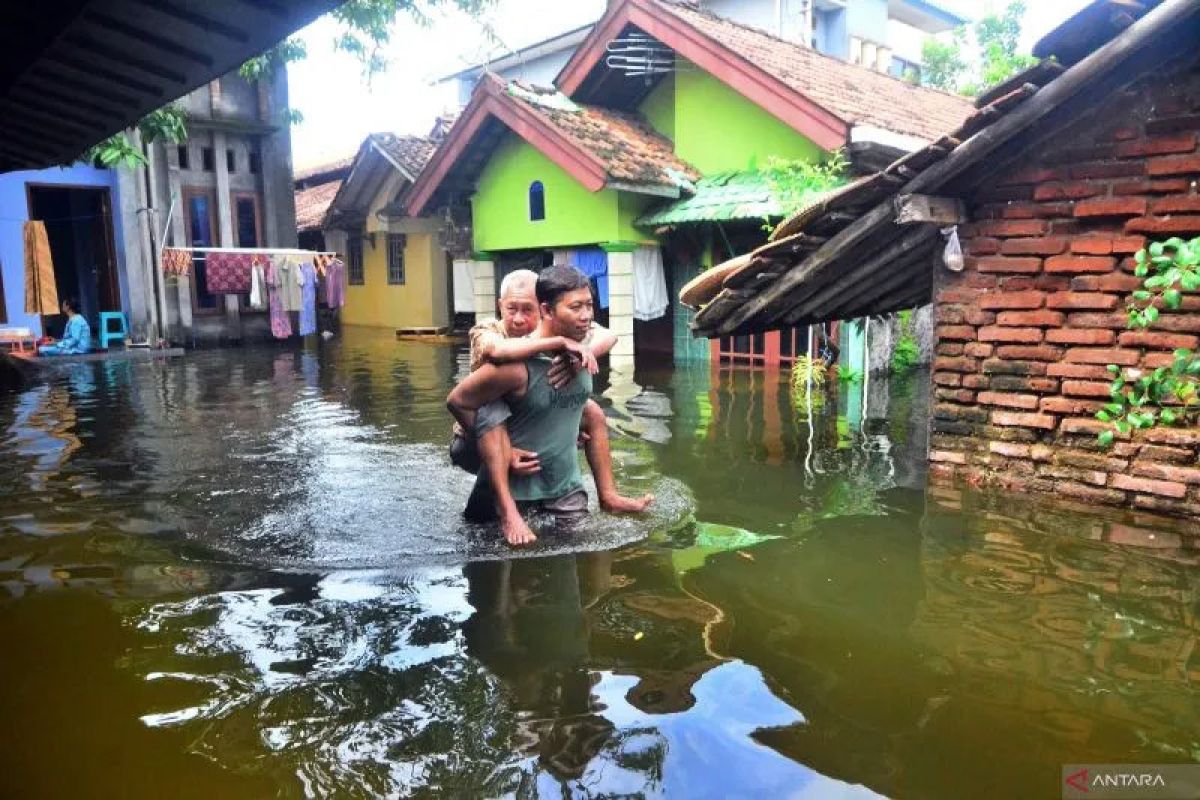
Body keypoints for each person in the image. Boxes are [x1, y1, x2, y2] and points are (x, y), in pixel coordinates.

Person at [448, 266, 651, 546]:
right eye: (511, 309)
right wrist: (560, 341)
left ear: (539, 309)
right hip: (473, 436)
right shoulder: (497, 340)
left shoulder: (579, 343)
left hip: (555, 467)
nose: (518, 319)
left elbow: (608, 334)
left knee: (591, 409)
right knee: (491, 411)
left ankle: (609, 496)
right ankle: (508, 511)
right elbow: (468, 387)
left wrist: (581, 355)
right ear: (548, 310)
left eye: (589, 306)